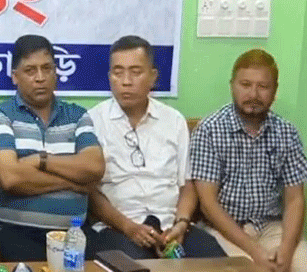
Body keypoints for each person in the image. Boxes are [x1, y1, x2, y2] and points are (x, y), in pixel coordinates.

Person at [87, 35, 225, 259]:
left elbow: (186, 185)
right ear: (110, 76)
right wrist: (129, 228)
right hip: (118, 228)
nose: (126, 81)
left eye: (135, 72)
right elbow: (91, 193)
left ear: (153, 77)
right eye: (118, 73)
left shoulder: (173, 120)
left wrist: (181, 224)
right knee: (137, 269)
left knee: (216, 261)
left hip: (170, 226)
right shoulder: (93, 121)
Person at [190, 49, 307, 272]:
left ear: (275, 90)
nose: (253, 94)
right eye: (245, 85)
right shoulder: (210, 130)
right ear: (232, 85)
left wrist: (285, 252)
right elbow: (208, 204)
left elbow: (295, 199)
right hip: (225, 229)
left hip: (272, 228)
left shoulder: (286, 133)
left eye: (263, 87)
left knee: (303, 271)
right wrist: (255, 252)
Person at [0, 34, 105, 262]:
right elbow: (10, 178)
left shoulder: (77, 115)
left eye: (47, 69)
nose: (40, 78)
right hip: (15, 233)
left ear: (56, 73)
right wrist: (72, 183)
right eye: (30, 71)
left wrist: (41, 160)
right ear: (15, 77)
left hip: (74, 235)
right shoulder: (0, 115)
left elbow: (94, 167)